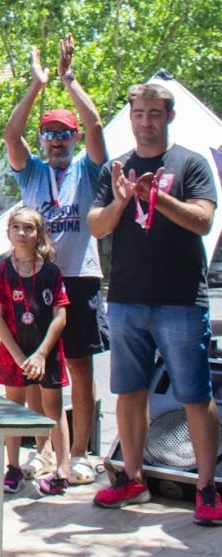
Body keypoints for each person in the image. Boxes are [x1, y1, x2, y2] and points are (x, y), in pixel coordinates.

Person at [88, 82, 222, 525]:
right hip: (126, 299)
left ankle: (206, 488)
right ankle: (133, 479)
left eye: (154, 113)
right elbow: (97, 226)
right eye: (139, 113)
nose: (146, 121)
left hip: (181, 300)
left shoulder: (191, 163)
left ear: (169, 116)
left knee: (194, 397)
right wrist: (124, 197)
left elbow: (203, 221)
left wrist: (155, 197)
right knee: (129, 393)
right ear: (131, 117)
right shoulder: (118, 167)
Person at [3, 34, 107, 484]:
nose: (57, 140)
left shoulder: (88, 166)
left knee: (79, 368)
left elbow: (98, 126)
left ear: (74, 137)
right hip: (33, 280)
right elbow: (10, 134)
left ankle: (80, 452)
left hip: (78, 278)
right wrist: (36, 86)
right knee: (32, 372)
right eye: (50, 133)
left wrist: (68, 80)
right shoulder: (33, 171)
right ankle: (42, 450)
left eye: (65, 134)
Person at [0, 206, 71, 497]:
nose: (22, 233)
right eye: (16, 227)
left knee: (52, 411)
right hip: (14, 352)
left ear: (38, 233)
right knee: (13, 410)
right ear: (8, 232)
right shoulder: (0, 271)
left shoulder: (51, 272)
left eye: (29, 228)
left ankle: (63, 470)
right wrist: (21, 358)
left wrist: (42, 354)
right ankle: (12, 466)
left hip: (46, 353)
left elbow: (60, 316)